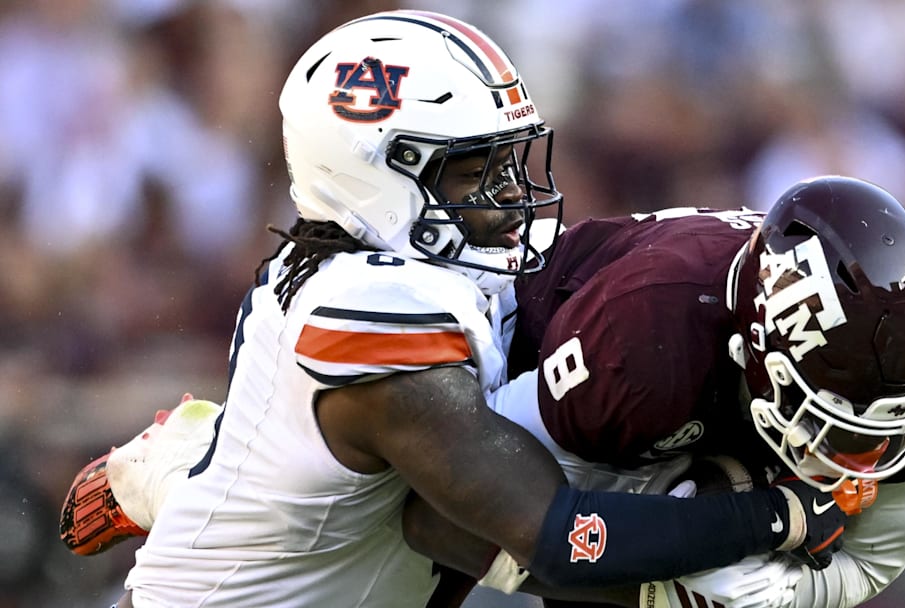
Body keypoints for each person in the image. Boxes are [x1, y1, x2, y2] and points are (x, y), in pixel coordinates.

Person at [59, 10, 846, 608]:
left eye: (509, 161)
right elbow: (563, 541)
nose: (510, 195)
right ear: (379, 175)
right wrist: (776, 518)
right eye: (474, 172)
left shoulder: (381, 269)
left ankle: (176, 459)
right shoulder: (377, 320)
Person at [400, 175, 905, 607]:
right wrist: (658, 591)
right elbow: (436, 517)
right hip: (579, 396)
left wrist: (789, 594)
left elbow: (874, 554)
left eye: (883, 432)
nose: (861, 461)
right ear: (756, 354)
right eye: (836, 424)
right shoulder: (643, 347)